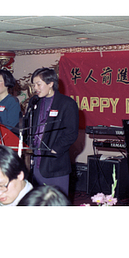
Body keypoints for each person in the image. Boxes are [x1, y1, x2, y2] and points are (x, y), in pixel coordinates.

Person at [24, 67, 79, 196]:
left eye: (38, 84)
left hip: (55, 163)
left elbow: (71, 133)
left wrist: (54, 149)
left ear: (50, 84)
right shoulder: (35, 102)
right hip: (35, 162)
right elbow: (27, 125)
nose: (35, 88)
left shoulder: (67, 103)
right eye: (34, 84)